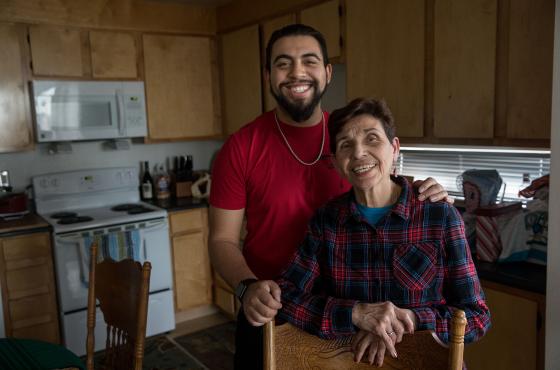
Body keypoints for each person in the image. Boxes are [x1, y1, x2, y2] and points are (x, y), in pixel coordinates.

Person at [209, 24, 453, 370]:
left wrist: (424, 193)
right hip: (271, 310)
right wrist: (247, 288)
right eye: (283, 63)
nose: (297, 72)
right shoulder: (241, 147)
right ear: (268, 75)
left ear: (326, 73)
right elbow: (222, 239)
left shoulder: (347, 135)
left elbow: (381, 185)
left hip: (351, 321)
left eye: (309, 61)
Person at [276, 97, 490, 367]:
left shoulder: (439, 215)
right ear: (335, 161)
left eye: (372, 139)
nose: (358, 153)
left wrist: (407, 321)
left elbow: (476, 316)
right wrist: (354, 314)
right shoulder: (326, 222)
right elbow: (285, 296)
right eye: (345, 145)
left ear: (395, 148)